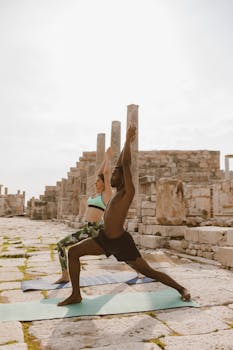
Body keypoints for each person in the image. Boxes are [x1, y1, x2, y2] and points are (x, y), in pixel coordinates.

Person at [58, 126, 191, 306]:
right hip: (104, 239)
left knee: (148, 271)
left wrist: (128, 140)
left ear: (123, 178)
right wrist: (124, 145)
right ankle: (76, 294)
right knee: (73, 252)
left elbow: (125, 164)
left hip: (121, 242)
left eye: (115, 174)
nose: (111, 175)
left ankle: (181, 288)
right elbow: (121, 163)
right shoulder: (116, 192)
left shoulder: (128, 191)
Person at [54, 147, 112, 284]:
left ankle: (137, 267)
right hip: (87, 229)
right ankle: (65, 275)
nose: (96, 182)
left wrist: (108, 158)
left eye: (99, 181)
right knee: (61, 245)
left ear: (104, 184)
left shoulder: (106, 194)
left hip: (97, 230)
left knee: (117, 251)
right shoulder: (95, 194)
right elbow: (99, 172)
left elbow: (106, 173)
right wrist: (104, 158)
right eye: (96, 180)